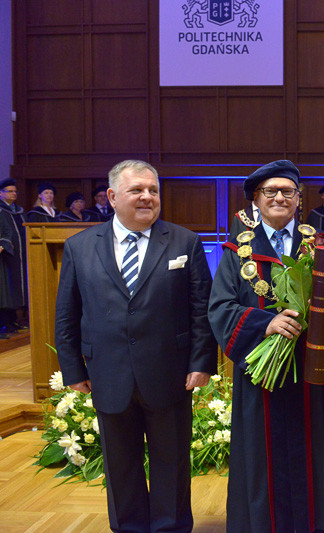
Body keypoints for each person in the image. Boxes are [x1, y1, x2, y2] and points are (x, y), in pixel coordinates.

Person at [55, 159, 218, 532]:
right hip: (107, 374)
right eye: (137, 190)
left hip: (170, 374)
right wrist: (73, 370)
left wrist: (202, 362)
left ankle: (170, 527)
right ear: (113, 196)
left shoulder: (185, 242)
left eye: (154, 190)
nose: (148, 197)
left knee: (171, 463)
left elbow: (200, 310)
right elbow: (66, 314)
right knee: (120, 465)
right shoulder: (80, 247)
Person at [208, 160, 324, 532]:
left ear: (298, 199)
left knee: (319, 454)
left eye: (287, 191)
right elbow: (221, 308)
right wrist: (266, 324)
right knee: (262, 459)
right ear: (255, 201)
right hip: (262, 382)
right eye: (269, 191)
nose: (279, 197)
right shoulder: (236, 251)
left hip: (314, 374)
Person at [0, 178, 27, 336]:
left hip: (20, 256)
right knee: (5, 291)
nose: (14, 193)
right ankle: (6, 323)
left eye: (15, 191)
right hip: (6, 257)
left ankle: (11, 322)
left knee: (12, 290)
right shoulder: (2, 210)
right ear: (1, 193)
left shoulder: (19, 211)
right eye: (10, 191)